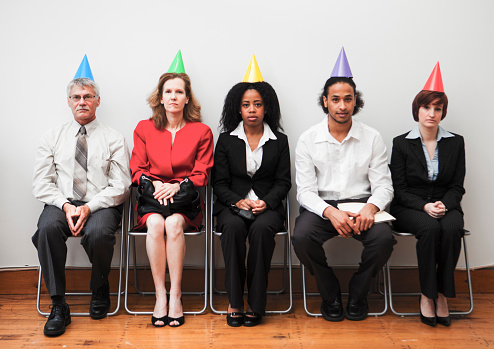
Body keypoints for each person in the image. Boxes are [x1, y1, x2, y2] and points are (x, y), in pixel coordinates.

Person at [292, 48, 395, 322]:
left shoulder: (372, 138)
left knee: (384, 240)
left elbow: (384, 185)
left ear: (355, 102)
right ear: (325, 101)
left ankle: (359, 293)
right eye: (335, 99)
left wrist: (370, 208)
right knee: (301, 237)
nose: (342, 106)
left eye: (347, 99)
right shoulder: (308, 139)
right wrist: (330, 212)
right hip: (323, 209)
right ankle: (330, 293)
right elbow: (304, 192)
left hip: (363, 206)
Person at [32, 56, 131, 337]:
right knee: (47, 229)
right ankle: (58, 304)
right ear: (68, 101)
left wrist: (89, 207)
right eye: (76, 97)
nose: (82, 102)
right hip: (60, 202)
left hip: (101, 203)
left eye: (88, 96)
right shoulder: (52, 137)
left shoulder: (114, 138)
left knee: (99, 234)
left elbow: (121, 185)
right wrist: (65, 205)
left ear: (98, 101)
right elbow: (41, 183)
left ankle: (99, 287)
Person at [130, 51, 214, 328]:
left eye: (180, 91)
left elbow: (202, 171)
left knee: (174, 225)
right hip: (152, 198)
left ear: (187, 98)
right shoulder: (143, 128)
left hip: (185, 200)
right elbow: (137, 168)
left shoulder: (202, 132)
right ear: (161, 97)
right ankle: (160, 297)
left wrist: (176, 185)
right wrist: (154, 184)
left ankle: (176, 296)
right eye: (169, 91)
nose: (174, 96)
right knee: (155, 225)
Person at [213, 55, 291, 327]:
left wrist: (266, 204)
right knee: (233, 229)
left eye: (258, 104)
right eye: (246, 105)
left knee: (261, 231)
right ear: (238, 109)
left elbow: (283, 182)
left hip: (267, 209)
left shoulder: (280, 141)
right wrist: (237, 202)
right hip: (232, 207)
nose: (252, 109)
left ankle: (256, 304)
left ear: (266, 108)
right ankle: (235, 301)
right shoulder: (225, 140)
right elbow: (218, 183)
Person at [390, 63, 465, 327]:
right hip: (410, 207)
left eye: (437, 108)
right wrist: (424, 206)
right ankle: (427, 294)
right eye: (426, 107)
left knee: (453, 227)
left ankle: (442, 295)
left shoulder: (456, 142)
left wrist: (445, 204)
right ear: (417, 110)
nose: (431, 113)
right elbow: (399, 189)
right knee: (430, 229)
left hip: (446, 204)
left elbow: (457, 185)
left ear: (443, 112)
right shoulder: (401, 143)